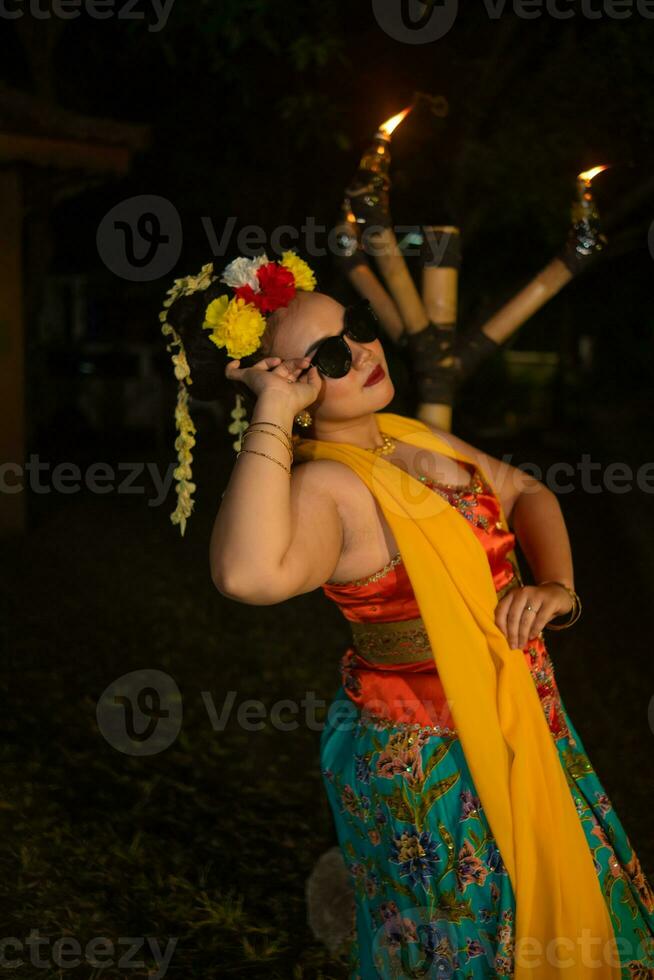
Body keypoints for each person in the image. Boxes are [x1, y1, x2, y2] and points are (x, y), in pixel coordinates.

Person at [161, 255, 654, 979]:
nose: (362, 351)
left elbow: (523, 492)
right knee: (478, 946)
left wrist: (557, 587)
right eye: (329, 355)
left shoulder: (405, 435)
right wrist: (270, 409)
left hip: (525, 712)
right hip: (432, 757)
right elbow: (247, 573)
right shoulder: (327, 484)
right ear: (289, 380)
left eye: (356, 331)